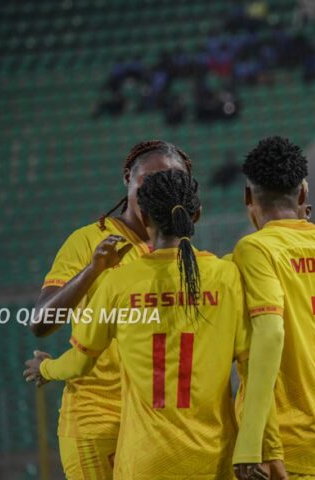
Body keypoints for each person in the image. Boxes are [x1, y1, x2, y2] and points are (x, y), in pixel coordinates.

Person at [25, 170, 280, 478]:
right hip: (215, 460)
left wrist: (46, 369)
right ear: (196, 215)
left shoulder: (119, 282)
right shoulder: (228, 277)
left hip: (144, 463)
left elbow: (79, 364)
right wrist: (263, 450)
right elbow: (255, 372)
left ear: (144, 218)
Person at [29, 140, 193, 479]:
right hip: (99, 422)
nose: (160, 187)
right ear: (127, 179)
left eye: (173, 178)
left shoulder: (183, 253)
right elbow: (41, 322)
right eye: (149, 179)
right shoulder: (89, 241)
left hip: (158, 423)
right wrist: (93, 270)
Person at [231, 136, 315, 480]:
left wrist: (249, 444)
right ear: (303, 193)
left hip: (289, 440)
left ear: (248, 197)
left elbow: (269, 334)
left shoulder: (255, 250)